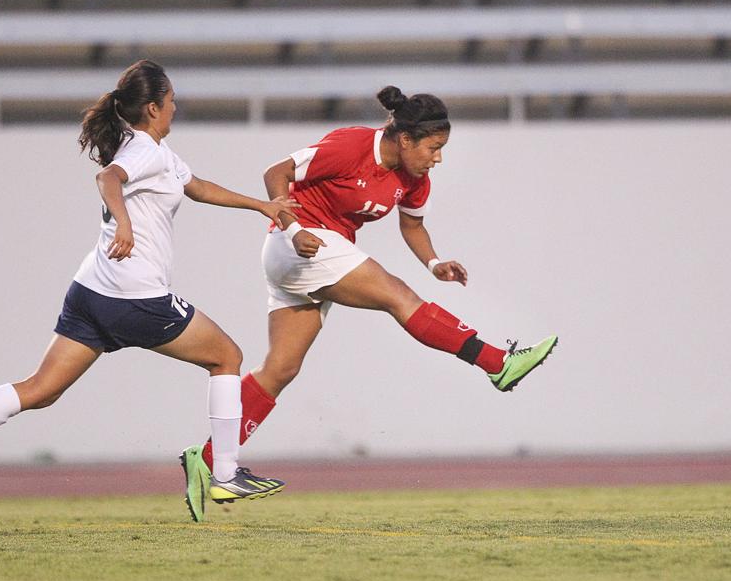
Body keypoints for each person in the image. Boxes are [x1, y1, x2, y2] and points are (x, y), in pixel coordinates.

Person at [0, 60, 296, 505]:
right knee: (227, 356)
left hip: (91, 291)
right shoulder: (143, 149)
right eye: (171, 101)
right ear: (152, 107)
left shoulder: (152, 149)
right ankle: (223, 474)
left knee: (41, 389)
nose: (175, 108)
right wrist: (124, 223)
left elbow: (197, 186)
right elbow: (108, 177)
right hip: (135, 296)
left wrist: (260, 206)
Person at [177, 85, 558, 522]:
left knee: (281, 369)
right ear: (405, 138)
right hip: (298, 244)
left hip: (316, 254)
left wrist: (434, 263)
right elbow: (275, 173)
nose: (438, 158)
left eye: (443, 149)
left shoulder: (416, 179)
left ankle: (207, 459)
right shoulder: (352, 145)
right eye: (434, 148)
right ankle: (497, 362)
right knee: (399, 297)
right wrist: (290, 226)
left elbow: (412, 228)